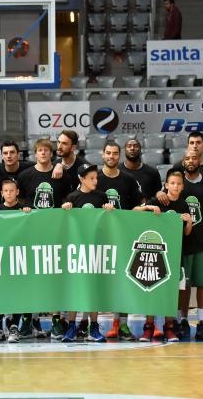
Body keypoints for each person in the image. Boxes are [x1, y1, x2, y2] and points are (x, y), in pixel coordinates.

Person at [160, 149, 203, 341]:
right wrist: (159, 193)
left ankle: (202, 322)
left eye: (194, 158)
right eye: (187, 158)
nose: (190, 160)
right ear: (182, 161)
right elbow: (164, 199)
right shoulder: (177, 184)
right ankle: (182, 320)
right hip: (181, 244)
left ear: (200, 160)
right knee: (182, 286)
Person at [17, 138, 69, 339]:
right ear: (35, 153)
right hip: (31, 232)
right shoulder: (25, 175)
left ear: (51, 153)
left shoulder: (61, 175)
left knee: (54, 276)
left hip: (55, 231)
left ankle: (56, 320)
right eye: (39, 150)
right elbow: (19, 200)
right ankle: (28, 318)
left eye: (47, 150)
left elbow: (68, 198)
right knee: (30, 276)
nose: (43, 153)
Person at [60, 163, 115, 343]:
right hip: (77, 249)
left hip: (95, 248)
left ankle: (94, 326)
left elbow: (108, 223)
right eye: (91, 178)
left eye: (96, 178)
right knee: (76, 287)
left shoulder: (101, 197)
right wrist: (65, 209)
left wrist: (109, 211)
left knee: (93, 288)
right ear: (81, 179)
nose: (95, 181)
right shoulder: (72, 197)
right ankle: (71, 326)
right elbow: (64, 223)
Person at [138, 169, 193, 342]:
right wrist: (148, 206)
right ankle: (149, 327)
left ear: (182, 186)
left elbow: (187, 234)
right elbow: (134, 212)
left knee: (172, 292)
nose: (175, 186)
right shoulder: (158, 201)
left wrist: (189, 221)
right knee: (152, 288)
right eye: (172, 183)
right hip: (156, 253)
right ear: (166, 185)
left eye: (178, 184)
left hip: (175, 254)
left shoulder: (184, 205)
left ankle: (169, 327)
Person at [96, 141, 144, 340]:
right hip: (100, 237)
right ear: (102, 155)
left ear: (120, 155)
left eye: (115, 153)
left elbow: (139, 205)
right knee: (105, 281)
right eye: (108, 153)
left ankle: (121, 324)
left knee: (123, 280)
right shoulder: (95, 178)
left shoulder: (129, 180)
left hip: (124, 236)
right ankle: (92, 323)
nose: (111, 156)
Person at [0, 179, 31, 344]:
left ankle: (14, 327)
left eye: (12, 190)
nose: (9, 193)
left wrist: (29, 214)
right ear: (1, 193)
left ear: (17, 192)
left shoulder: (24, 210)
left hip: (19, 258)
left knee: (17, 292)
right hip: (0, 258)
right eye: (6, 191)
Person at [121, 138, 163, 202]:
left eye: (135, 146)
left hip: (146, 210)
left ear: (140, 150)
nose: (132, 148)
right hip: (123, 210)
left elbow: (157, 195)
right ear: (125, 150)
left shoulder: (152, 172)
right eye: (129, 146)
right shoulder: (117, 170)